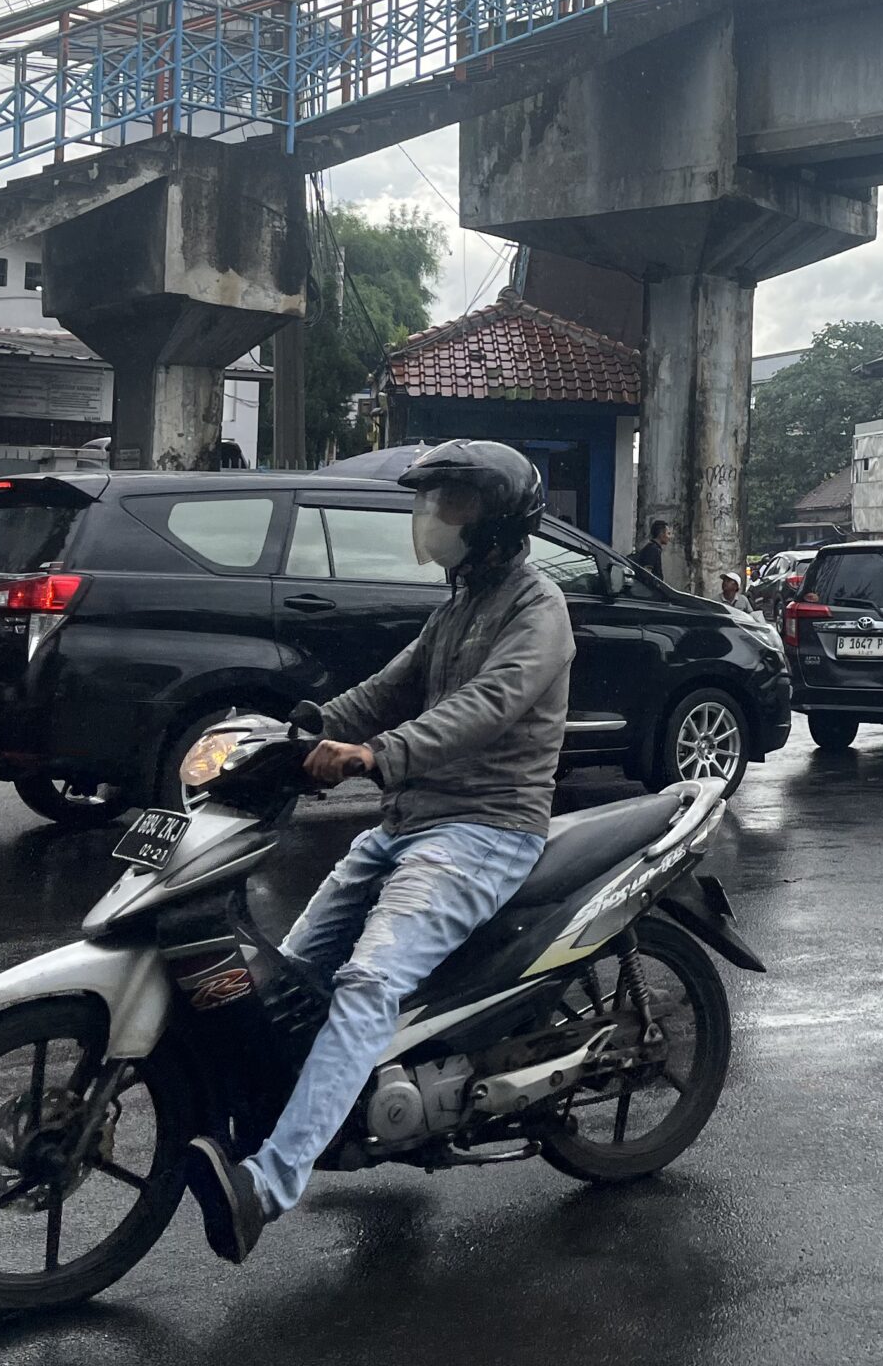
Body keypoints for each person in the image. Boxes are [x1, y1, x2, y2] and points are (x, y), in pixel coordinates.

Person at [182, 439, 571, 1265]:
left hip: (484, 829)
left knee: (366, 983)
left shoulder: (538, 612)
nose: (433, 518)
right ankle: (318, 1112)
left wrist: (375, 756)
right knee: (288, 969)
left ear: (496, 522)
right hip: (407, 823)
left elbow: (486, 707)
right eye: (434, 502)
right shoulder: (458, 603)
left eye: (453, 504)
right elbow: (386, 690)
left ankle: (269, 1186)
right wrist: (297, 732)